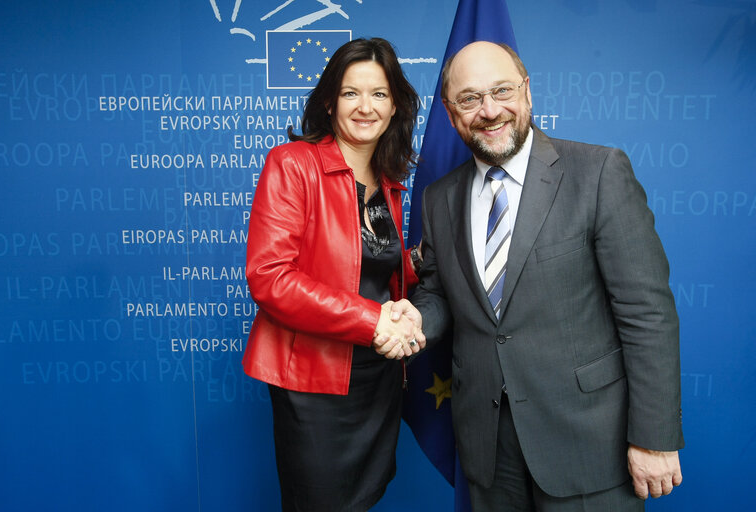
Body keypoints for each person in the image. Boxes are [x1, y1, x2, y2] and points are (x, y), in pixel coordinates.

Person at [390, 41, 684, 511]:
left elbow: (647, 313)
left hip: (589, 442)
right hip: (489, 450)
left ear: (527, 92)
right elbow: (441, 295)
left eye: (501, 90)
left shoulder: (599, 171)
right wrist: (415, 320)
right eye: (469, 99)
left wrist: (653, 437)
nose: (489, 110)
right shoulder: (439, 198)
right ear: (449, 113)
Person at [242, 37, 425, 511]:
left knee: (364, 499)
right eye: (351, 93)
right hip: (314, 382)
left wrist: (415, 265)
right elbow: (271, 278)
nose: (366, 107)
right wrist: (373, 321)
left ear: (395, 106)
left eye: (380, 94)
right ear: (329, 102)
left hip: (376, 377)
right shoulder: (292, 164)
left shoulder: (388, 179)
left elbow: (365, 266)